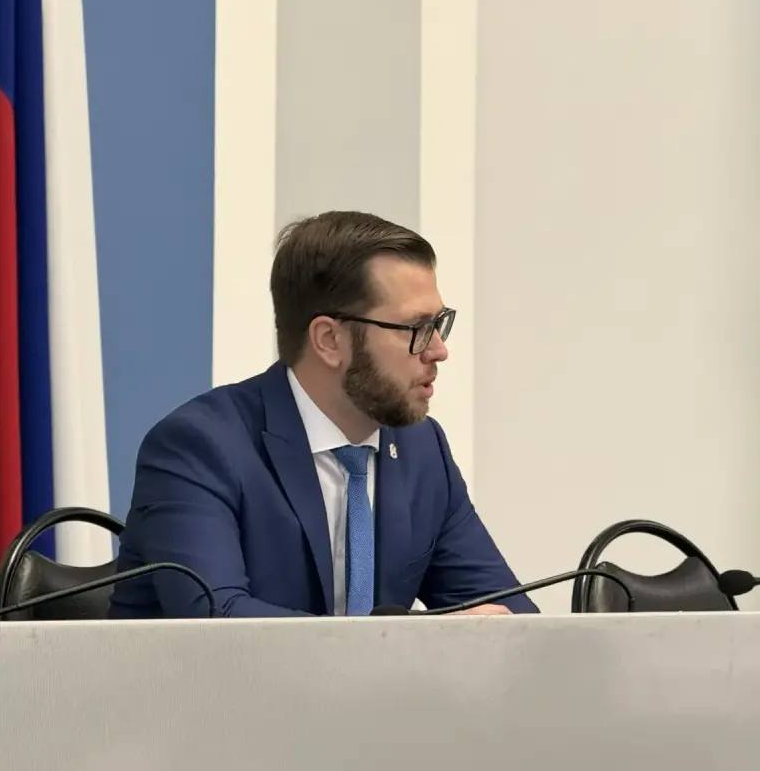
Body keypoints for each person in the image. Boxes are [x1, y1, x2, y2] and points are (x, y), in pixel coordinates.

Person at [109, 210, 536, 618]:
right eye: (417, 329)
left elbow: (508, 613)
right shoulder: (200, 447)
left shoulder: (422, 449)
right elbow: (219, 621)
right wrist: (414, 642)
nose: (439, 350)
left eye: (439, 324)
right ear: (329, 340)